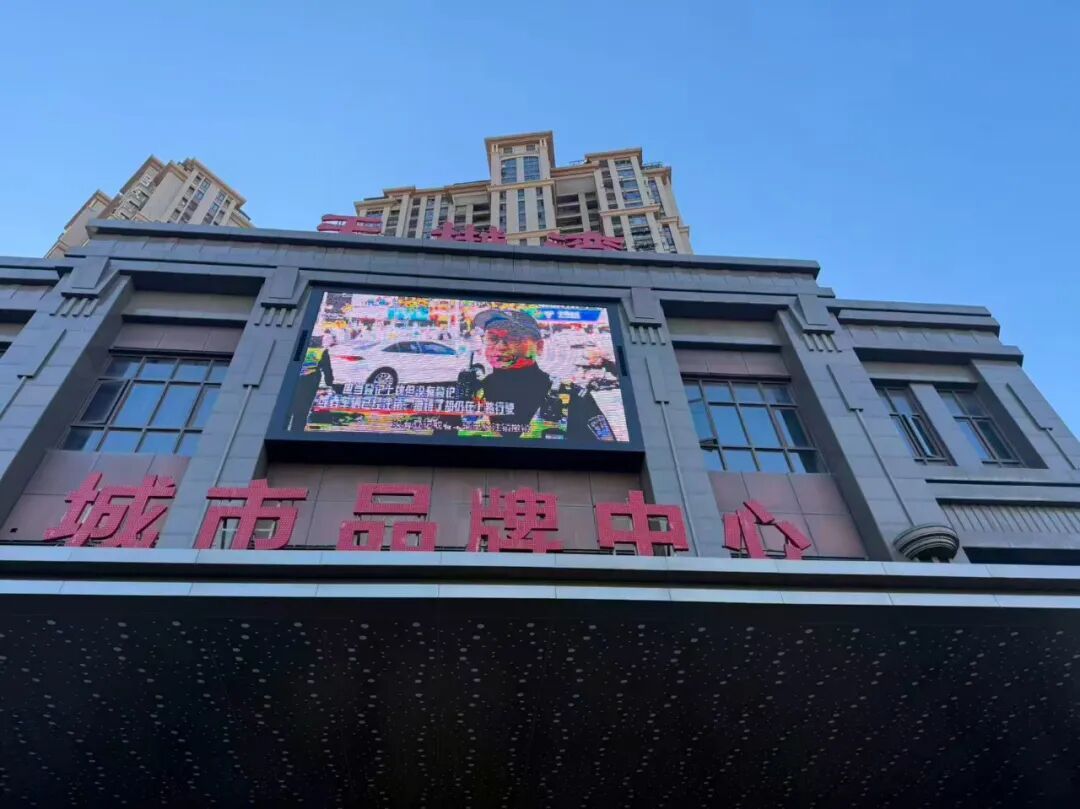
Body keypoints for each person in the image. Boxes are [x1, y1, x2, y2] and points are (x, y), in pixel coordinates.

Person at [464, 308, 617, 442]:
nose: (500, 346)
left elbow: (610, 455)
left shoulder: (573, 397)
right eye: (492, 338)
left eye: (513, 338)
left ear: (539, 347)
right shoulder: (467, 394)